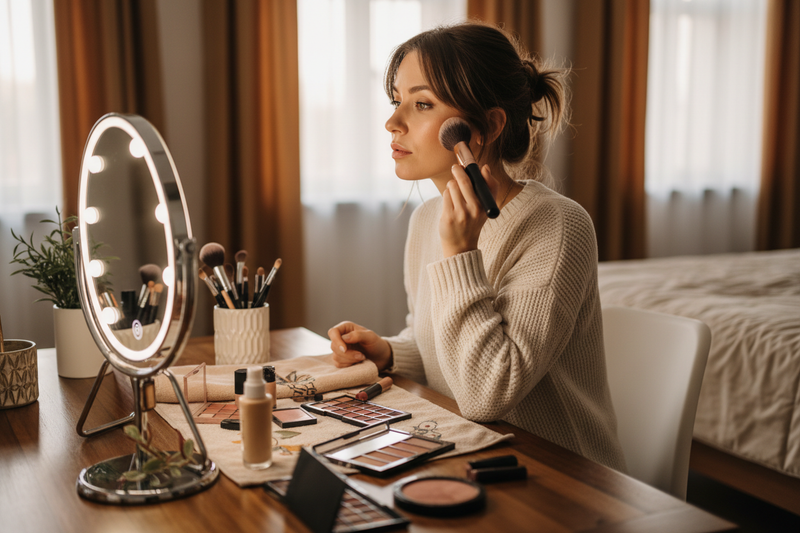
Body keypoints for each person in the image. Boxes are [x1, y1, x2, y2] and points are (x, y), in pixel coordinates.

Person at [327, 21, 626, 472]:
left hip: (563, 477)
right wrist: (390, 352)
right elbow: (442, 345)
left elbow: (487, 393)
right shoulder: (428, 220)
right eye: (397, 101)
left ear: (485, 126)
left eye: (422, 103)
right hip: (474, 455)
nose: (392, 122)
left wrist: (461, 255)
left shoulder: (558, 227)